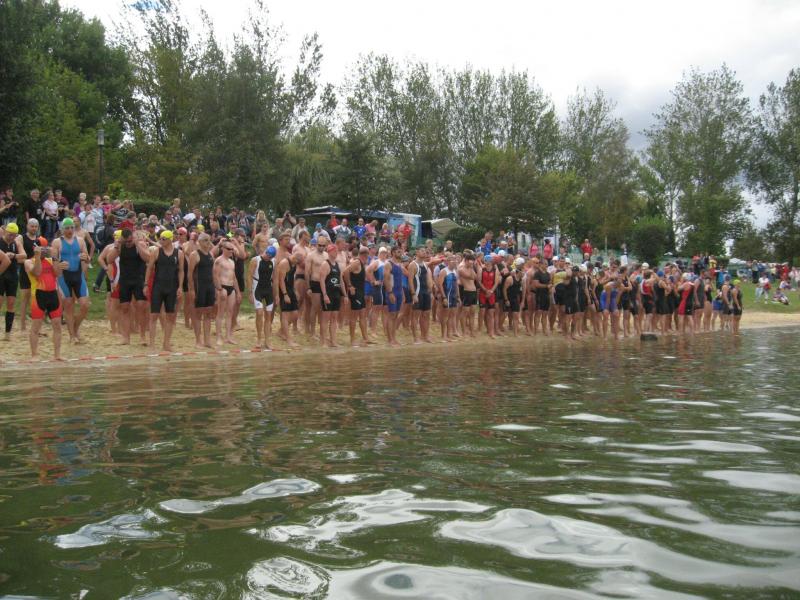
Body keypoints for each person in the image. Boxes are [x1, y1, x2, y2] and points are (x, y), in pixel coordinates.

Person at [105, 228, 150, 345]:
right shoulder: (121, 246)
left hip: (138, 279)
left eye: (130, 241)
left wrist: (138, 245)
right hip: (125, 280)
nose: (128, 243)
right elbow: (108, 260)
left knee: (141, 306)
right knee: (124, 308)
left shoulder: (140, 245)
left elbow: (148, 258)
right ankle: (126, 338)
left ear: (133, 238)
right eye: (126, 241)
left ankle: (142, 336)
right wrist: (116, 246)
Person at [24, 238, 65, 360]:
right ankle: (34, 355)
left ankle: (57, 355)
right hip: (38, 295)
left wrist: (55, 257)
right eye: (42, 248)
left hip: (52, 294)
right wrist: (37, 256)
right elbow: (37, 273)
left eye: (46, 248)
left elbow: (58, 274)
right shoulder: (29, 262)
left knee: (57, 325)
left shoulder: (51, 260)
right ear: (36, 248)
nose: (45, 250)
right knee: (36, 326)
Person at [51, 217, 91, 344]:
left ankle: (75, 327)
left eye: (71, 228)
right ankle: (72, 336)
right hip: (64, 277)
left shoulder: (80, 241)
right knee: (68, 306)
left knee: (85, 305)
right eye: (67, 228)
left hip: (78, 276)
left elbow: (87, 258)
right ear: (62, 229)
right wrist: (59, 265)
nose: (69, 230)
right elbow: (53, 263)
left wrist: (86, 258)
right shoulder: (57, 242)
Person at [145, 230, 183, 351]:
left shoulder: (179, 253)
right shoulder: (156, 252)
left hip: (172, 287)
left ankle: (166, 343)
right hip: (158, 286)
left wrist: (180, 286)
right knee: (154, 315)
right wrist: (145, 284)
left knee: (170, 316)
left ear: (170, 239)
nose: (161, 241)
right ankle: (152, 343)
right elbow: (149, 268)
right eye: (160, 239)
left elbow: (181, 271)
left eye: (163, 239)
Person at [187, 233, 216, 348]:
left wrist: (216, 287)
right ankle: (198, 340)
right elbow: (190, 274)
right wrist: (191, 290)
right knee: (198, 314)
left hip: (210, 286)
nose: (208, 242)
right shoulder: (195, 255)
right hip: (199, 287)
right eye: (205, 240)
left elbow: (213, 272)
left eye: (209, 240)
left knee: (208, 313)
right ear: (199, 242)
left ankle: (207, 340)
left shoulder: (211, 254)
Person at [247, 245, 277, 350]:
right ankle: (259, 339)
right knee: (259, 313)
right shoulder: (255, 260)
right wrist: (250, 292)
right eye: (267, 255)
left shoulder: (273, 262)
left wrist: (276, 294)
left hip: (268, 289)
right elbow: (249, 276)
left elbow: (275, 279)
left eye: (270, 257)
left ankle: (267, 340)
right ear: (265, 252)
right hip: (257, 288)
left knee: (268, 315)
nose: (267, 257)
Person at [342, 245, 372, 347]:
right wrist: (350, 286)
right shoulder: (357, 262)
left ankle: (365, 338)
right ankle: (352, 340)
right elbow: (345, 272)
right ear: (365, 255)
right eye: (367, 255)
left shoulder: (362, 264)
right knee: (354, 317)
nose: (368, 257)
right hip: (355, 293)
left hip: (360, 292)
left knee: (363, 316)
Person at [214, 240, 241, 345]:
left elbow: (234, 278)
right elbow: (215, 276)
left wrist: (238, 292)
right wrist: (220, 289)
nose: (231, 251)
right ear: (223, 249)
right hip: (223, 287)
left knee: (230, 312)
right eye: (229, 249)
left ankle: (228, 336)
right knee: (220, 313)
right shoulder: (219, 261)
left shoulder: (232, 262)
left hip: (231, 287)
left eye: (232, 249)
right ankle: (218, 336)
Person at [318, 243, 345, 347]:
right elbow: (321, 280)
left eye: (337, 250)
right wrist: (325, 295)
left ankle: (333, 341)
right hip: (328, 294)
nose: (336, 252)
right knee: (325, 318)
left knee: (334, 318)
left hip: (336, 294)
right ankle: (323, 341)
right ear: (329, 252)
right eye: (334, 250)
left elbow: (341, 281)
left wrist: (345, 295)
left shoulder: (337, 264)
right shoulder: (325, 264)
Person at [0, 223, 24, 339]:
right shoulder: (0, 241)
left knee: (11, 303)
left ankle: (7, 333)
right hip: (1, 274)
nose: (11, 237)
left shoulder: (16, 243)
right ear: (5, 232)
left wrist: (14, 255)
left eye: (14, 235)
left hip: (13, 275)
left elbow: (24, 255)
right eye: (10, 234)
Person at [408, 247, 434, 343]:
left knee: (426, 314)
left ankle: (425, 336)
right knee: (416, 315)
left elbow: (427, 279)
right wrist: (413, 294)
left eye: (425, 251)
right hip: (417, 292)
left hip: (425, 292)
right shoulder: (412, 265)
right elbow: (410, 280)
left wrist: (430, 292)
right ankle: (416, 337)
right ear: (417, 252)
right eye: (422, 251)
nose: (424, 252)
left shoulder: (425, 265)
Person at [275, 252, 300, 347]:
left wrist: (295, 290)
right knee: (285, 315)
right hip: (283, 290)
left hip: (290, 290)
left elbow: (292, 279)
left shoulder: (294, 264)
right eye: (297, 262)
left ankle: (281, 331)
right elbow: (281, 280)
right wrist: (285, 294)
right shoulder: (284, 263)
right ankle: (289, 340)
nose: (297, 264)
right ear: (294, 258)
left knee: (295, 314)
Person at [383, 245, 404, 346]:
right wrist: (390, 292)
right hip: (392, 292)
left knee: (395, 315)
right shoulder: (388, 264)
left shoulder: (399, 264)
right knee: (391, 315)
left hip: (399, 292)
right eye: (398, 252)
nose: (400, 253)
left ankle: (394, 338)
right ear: (393, 252)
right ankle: (390, 340)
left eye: (401, 252)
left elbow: (400, 280)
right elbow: (386, 279)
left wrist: (402, 293)